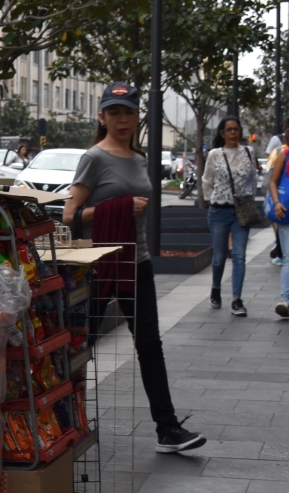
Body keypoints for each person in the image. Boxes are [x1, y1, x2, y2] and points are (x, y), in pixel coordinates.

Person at [63, 81, 205, 454]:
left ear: (137, 116)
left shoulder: (139, 159)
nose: (122, 120)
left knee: (149, 344)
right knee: (83, 345)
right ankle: (64, 423)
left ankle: (167, 429)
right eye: (114, 113)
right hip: (98, 266)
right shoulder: (94, 158)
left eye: (128, 113)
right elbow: (69, 215)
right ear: (102, 116)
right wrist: (120, 207)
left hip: (136, 263)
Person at [201, 116, 256, 316]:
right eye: (229, 129)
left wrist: (248, 200)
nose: (233, 133)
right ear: (222, 133)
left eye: (236, 129)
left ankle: (236, 300)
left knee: (239, 255)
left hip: (241, 211)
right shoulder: (215, 154)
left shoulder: (249, 152)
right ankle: (216, 288)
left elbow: (252, 179)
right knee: (219, 256)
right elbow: (207, 180)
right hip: (219, 211)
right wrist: (210, 200)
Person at [268, 141, 289, 316]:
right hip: (286, 213)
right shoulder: (285, 154)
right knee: (288, 259)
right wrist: (276, 202)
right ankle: (285, 300)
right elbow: (273, 182)